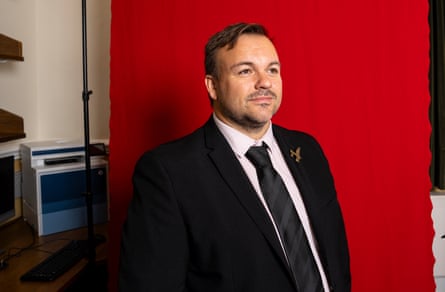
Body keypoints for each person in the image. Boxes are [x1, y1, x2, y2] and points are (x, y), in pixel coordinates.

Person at [119, 22, 351, 292]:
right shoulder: (168, 172)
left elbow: (333, 254)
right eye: (245, 70)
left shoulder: (307, 150)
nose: (264, 82)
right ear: (213, 86)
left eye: (272, 70)